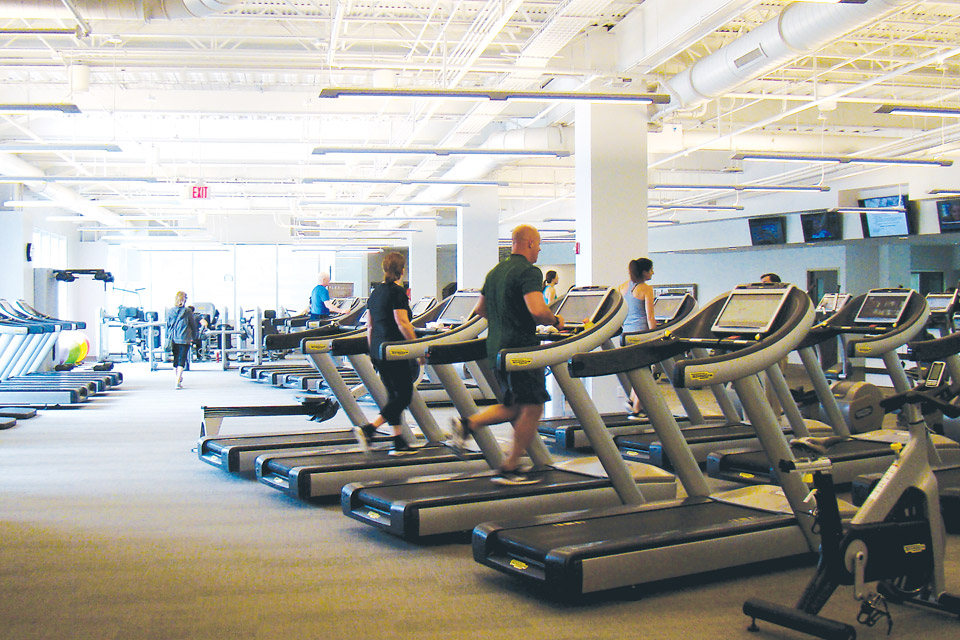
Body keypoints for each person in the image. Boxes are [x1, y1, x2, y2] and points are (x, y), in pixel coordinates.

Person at [448, 224, 564, 485]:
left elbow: (480, 309)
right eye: (539, 244)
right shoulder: (529, 271)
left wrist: (506, 322)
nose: (540, 250)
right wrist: (555, 320)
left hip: (497, 348)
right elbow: (536, 309)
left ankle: (469, 424)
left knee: (514, 406)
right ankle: (510, 466)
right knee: (533, 407)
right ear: (530, 244)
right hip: (522, 349)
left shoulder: (495, 271)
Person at [353, 253, 420, 456]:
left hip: (378, 349)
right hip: (396, 350)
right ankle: (370, 429)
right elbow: (402, 322)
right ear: (403, 270)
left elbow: (370, 326)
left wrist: (372, 349)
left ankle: (397, 440)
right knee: (405, 395)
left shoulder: (376, 293)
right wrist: (417, 347)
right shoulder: (397, 292)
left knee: (393, 394)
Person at [620, 258, 656, 417]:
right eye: (651, 270)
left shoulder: (622, 288)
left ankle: (632, 400)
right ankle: (636, 409)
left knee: (637, 370)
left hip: (626, 334)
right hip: (641, 334)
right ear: (644, 272)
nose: (653, 273)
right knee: (645, 372)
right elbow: (650, 317)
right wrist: (655, 336)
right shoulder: (646, 289)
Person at [166, 291, 198, 389]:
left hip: (174, 338)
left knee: (176, 358)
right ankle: (178, 380)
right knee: (182, 358)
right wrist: (194, 337)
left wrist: (167, 337)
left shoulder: (170, 311)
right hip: (184, 338)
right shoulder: (188, 311)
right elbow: (192, 325)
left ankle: (177, 378)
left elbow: (168, 325)